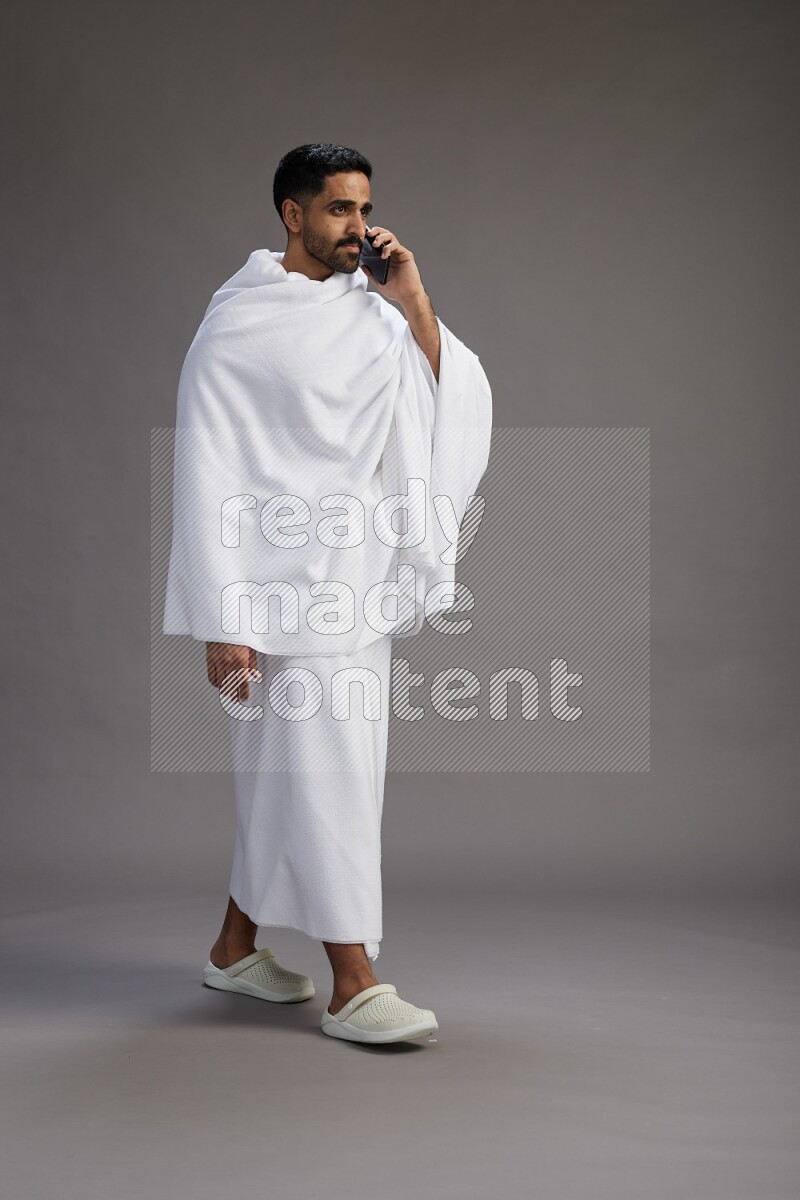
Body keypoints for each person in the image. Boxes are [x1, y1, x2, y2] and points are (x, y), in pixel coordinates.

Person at [162, 144, 492, 1044]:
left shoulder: (375, 312)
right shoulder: (237, 326)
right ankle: (355, 982)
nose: (359, 227)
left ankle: (235, 949)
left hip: (353, 585)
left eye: (366, 207)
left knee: (297, 777)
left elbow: (442, 396)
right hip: (271, 595)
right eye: (340, 209)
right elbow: (208, 471)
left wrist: (412, 297)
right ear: (291, 215)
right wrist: (222, 621)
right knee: (326, 779)